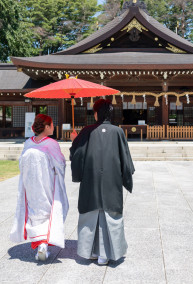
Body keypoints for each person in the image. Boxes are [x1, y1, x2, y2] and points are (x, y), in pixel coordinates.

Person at [70, 99, 134, 265]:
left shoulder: (86, 131)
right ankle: (105, 254)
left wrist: (74, 141)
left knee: (91, 214)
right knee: (110, 214)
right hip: (111, 182)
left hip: (90, 182)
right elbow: (126, 160)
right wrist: (126, 177)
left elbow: (77, 155)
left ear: (97, 113)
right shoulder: (118, 132)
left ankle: (89, 251)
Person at [10, 114, 69, 261]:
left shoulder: (28, 143)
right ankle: (44, 244)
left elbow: (21, 163)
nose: (54, 127)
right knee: (49, 210)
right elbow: (60, 164)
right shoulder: (51, 144)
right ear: (47, 127)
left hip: (30, 184)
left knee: (34, 211)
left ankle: (40, 243)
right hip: (47, 182)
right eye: (52, 125)